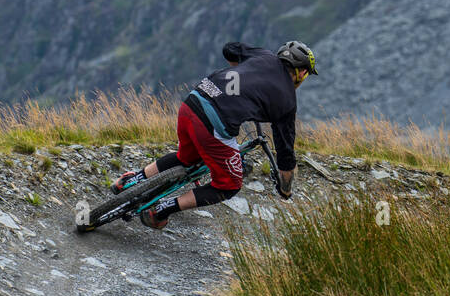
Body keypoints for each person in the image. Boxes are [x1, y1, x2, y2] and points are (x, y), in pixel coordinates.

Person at [112, 40, 318, 228]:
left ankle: (130, 180)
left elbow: (230, 48)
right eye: (307, 74)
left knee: (186, 157)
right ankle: (160, 210)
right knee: (229, 185)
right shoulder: (287, 100)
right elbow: (285, 153)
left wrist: (242, 79)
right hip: (213, 124)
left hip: (193, 101)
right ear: (301, 72)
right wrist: (285, 188)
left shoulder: (262, 55)